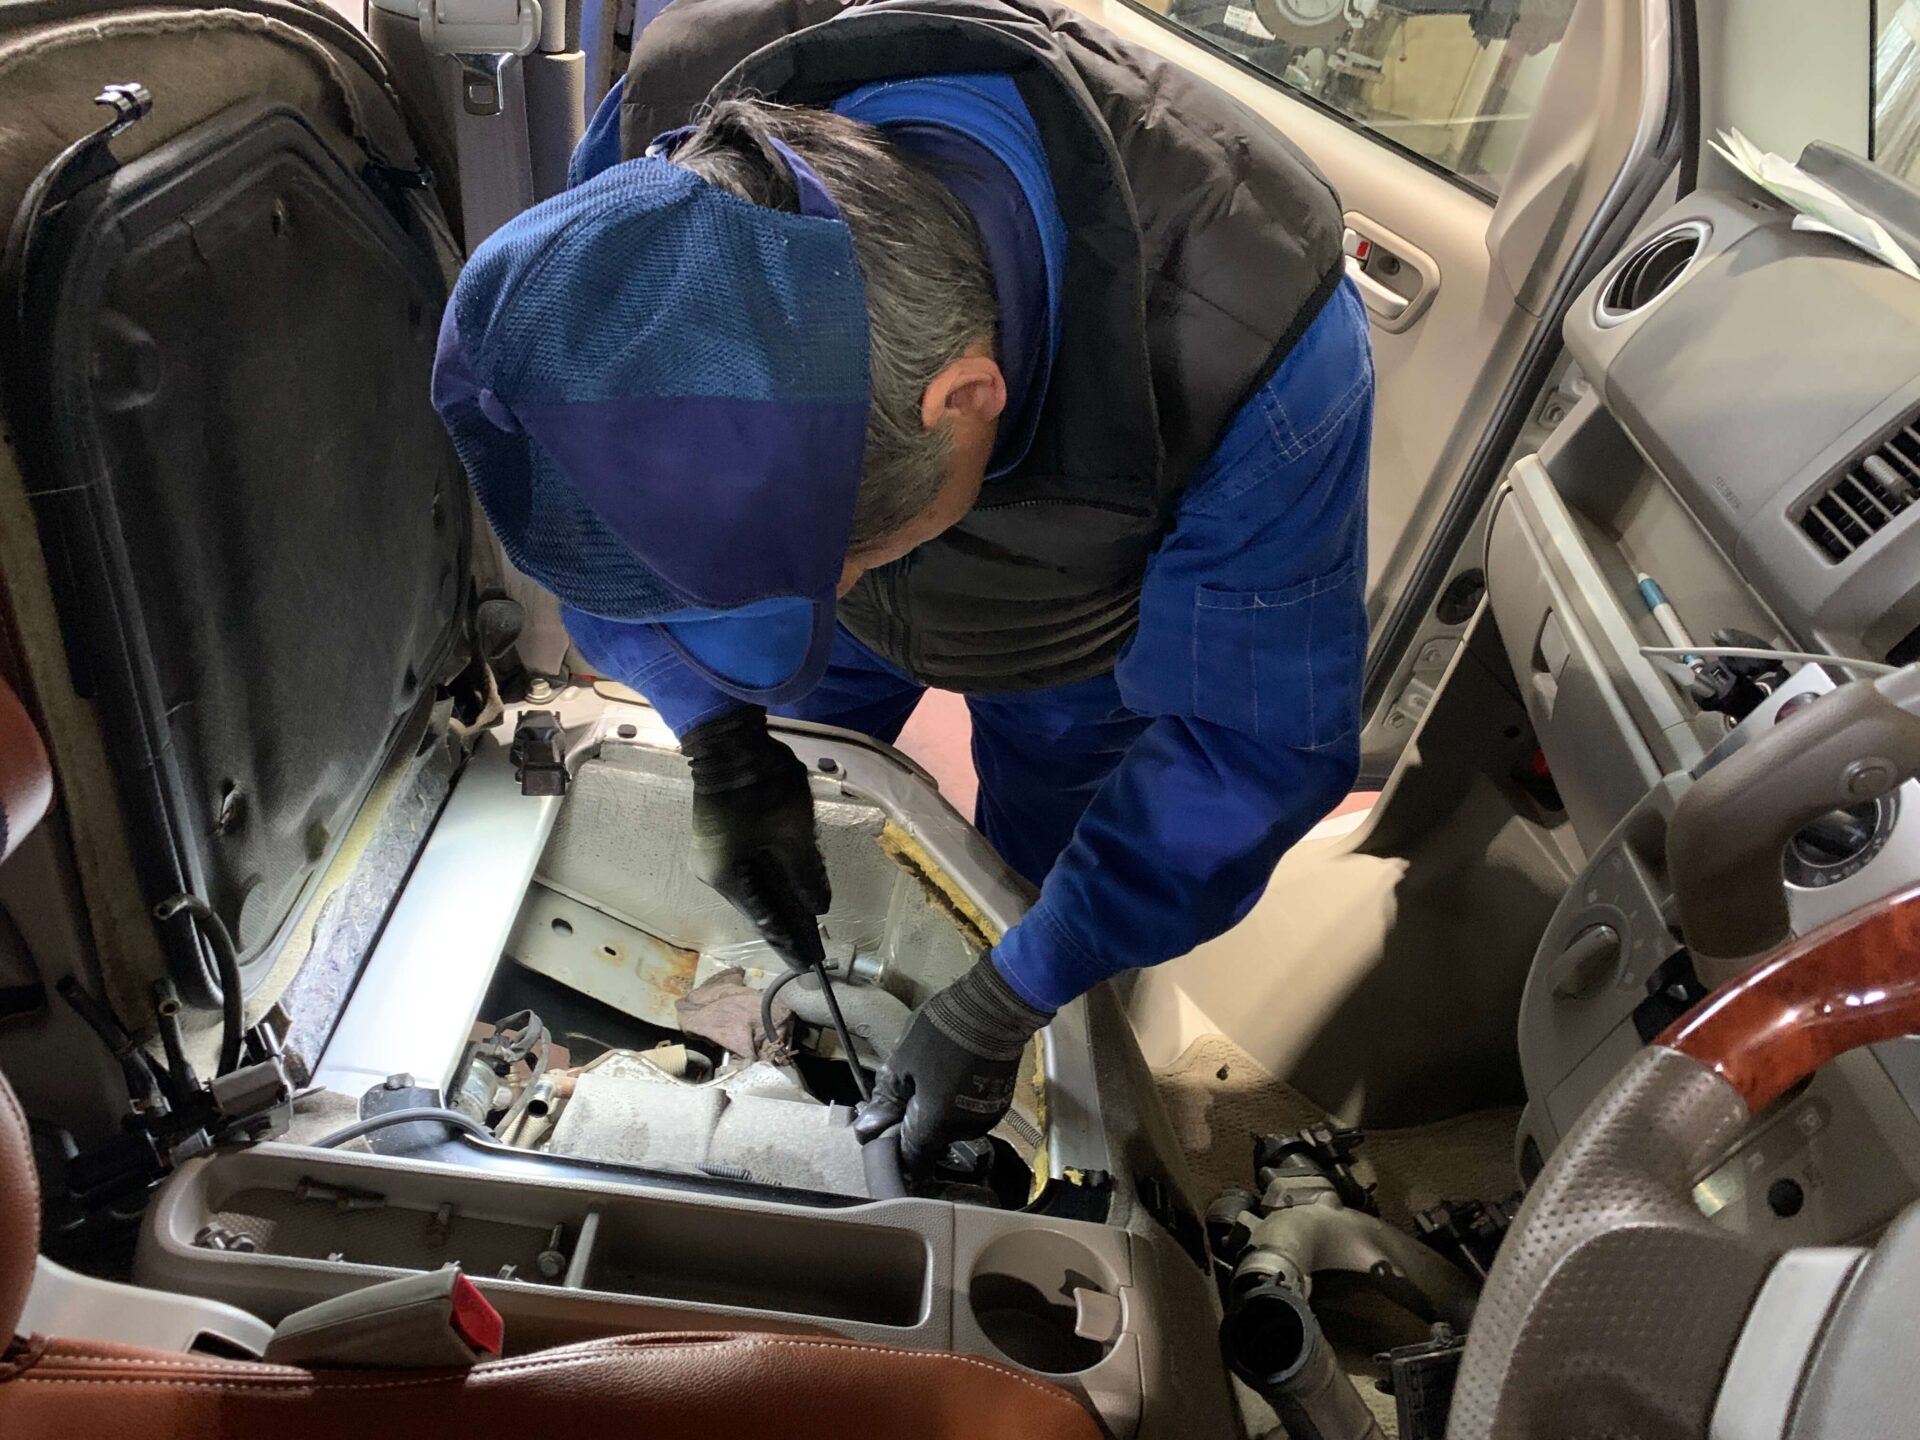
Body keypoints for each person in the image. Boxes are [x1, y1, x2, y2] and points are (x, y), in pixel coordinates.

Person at [433, 0, 1371, 1176]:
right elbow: (609, 514)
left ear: (965, 402)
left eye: (846, 558)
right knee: (803, 753)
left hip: (1076, 640)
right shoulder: (657, 161)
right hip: (850, 582)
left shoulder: (1255, 338)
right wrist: (719, 736)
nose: (827, 594)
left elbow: (1246, 748)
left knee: (1036, 888)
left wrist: (1018, 986)